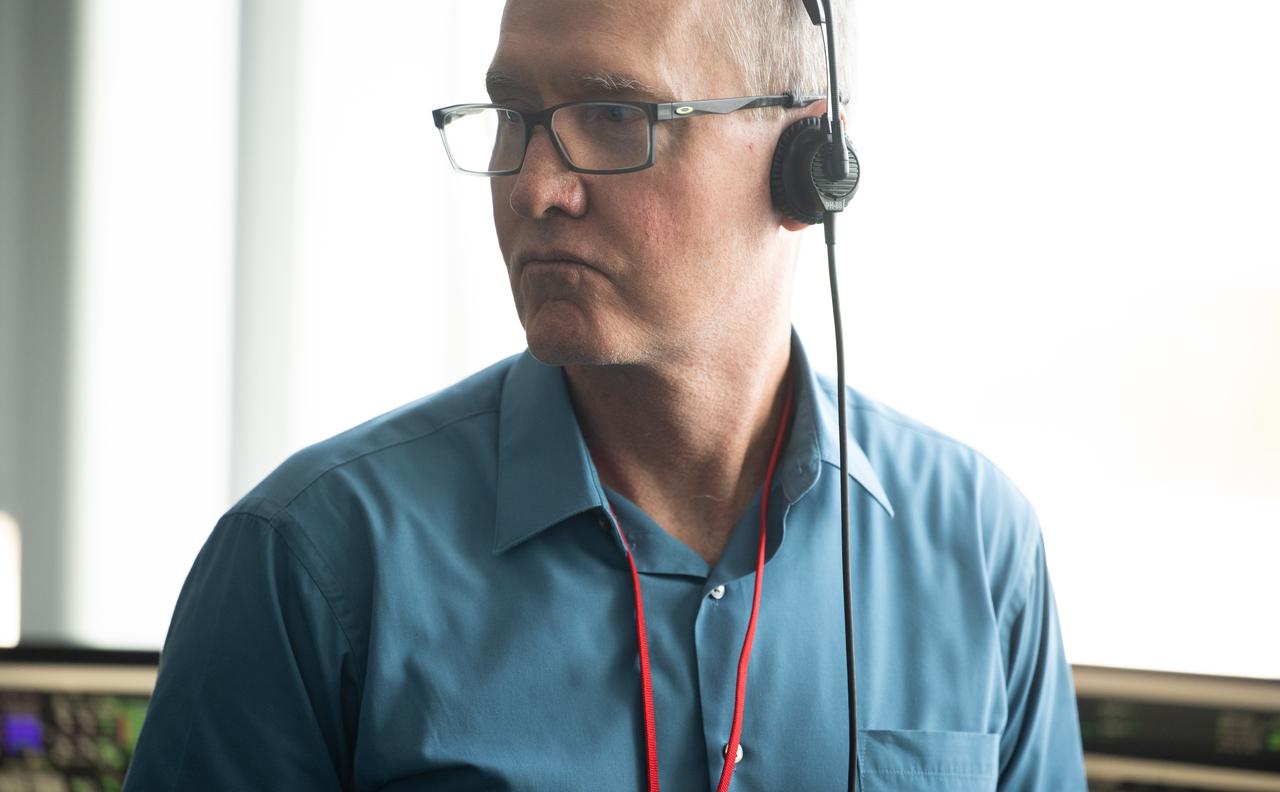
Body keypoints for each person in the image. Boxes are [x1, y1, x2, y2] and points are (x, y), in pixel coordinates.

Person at [124, 0, 1086, 789]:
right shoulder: (311, 564)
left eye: (616, 117)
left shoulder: (976, 543)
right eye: (513, 118)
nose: (535, 187)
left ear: (812, 164)